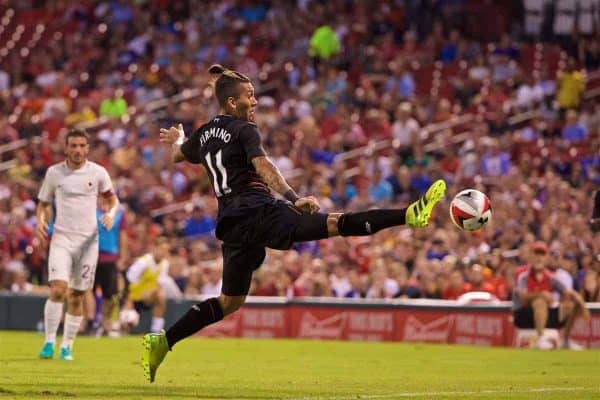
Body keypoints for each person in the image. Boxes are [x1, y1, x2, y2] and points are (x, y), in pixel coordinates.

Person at [142, 64, 446, 383]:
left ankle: (163, 341)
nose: (255, 101)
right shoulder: (244, 130)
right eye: (250, 96)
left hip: (231, 224)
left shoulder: (204, 133)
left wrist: (180, 139)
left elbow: (179, 155)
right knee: (332, 223)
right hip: (257, 210)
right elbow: (264, 166)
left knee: (229, 301)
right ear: (232, 103)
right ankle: (409, 214)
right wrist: (292, 196)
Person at [36, 128, 119, 360]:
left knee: (77, 295)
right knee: (58, 289)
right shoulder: (54, 174)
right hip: (61, 239)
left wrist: (111, 213)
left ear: (87, 149)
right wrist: (40, 221)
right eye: (73, 145)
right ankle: (49, 342)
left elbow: (113, 199)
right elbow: (43, 203)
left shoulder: (98, 173)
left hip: (88, 243)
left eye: (82, 146)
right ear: (66, 148)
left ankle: (67, 346)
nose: (77, 150)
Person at [513, 242, 590, 350]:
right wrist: (542, 295)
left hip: (545, 314)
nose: (539, 258)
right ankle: (540, 339)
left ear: (546, 258)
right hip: (523, 314)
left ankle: (565, 341)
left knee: (571, 305)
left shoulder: (550, 277)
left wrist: (582, 305)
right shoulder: (523, 275)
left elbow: (568, 292)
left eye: (542, 255)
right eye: (536, 254)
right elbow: (522, 297)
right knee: (540, 301)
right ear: (531, 256)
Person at [84, 197, 129, 336]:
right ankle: (90, 321)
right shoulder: (89, 211)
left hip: (110, 258)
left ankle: (104, 322)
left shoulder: (119, 214)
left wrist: (123, 257)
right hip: (91, 255)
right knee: (87, 290)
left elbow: (122, 236)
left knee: (109, 295)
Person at [125, 236, 172, 334]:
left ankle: (156, 331)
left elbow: (160, 285)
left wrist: (150, 292)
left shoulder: (165, 264)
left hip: (148, 297)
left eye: (166, 250)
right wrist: (129, 301)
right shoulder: (143, 262)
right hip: (132, 297)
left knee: (161, 296)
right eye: (161, 249)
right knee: (128, 322)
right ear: (155, 248)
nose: (163, 253)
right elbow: (128, 281)